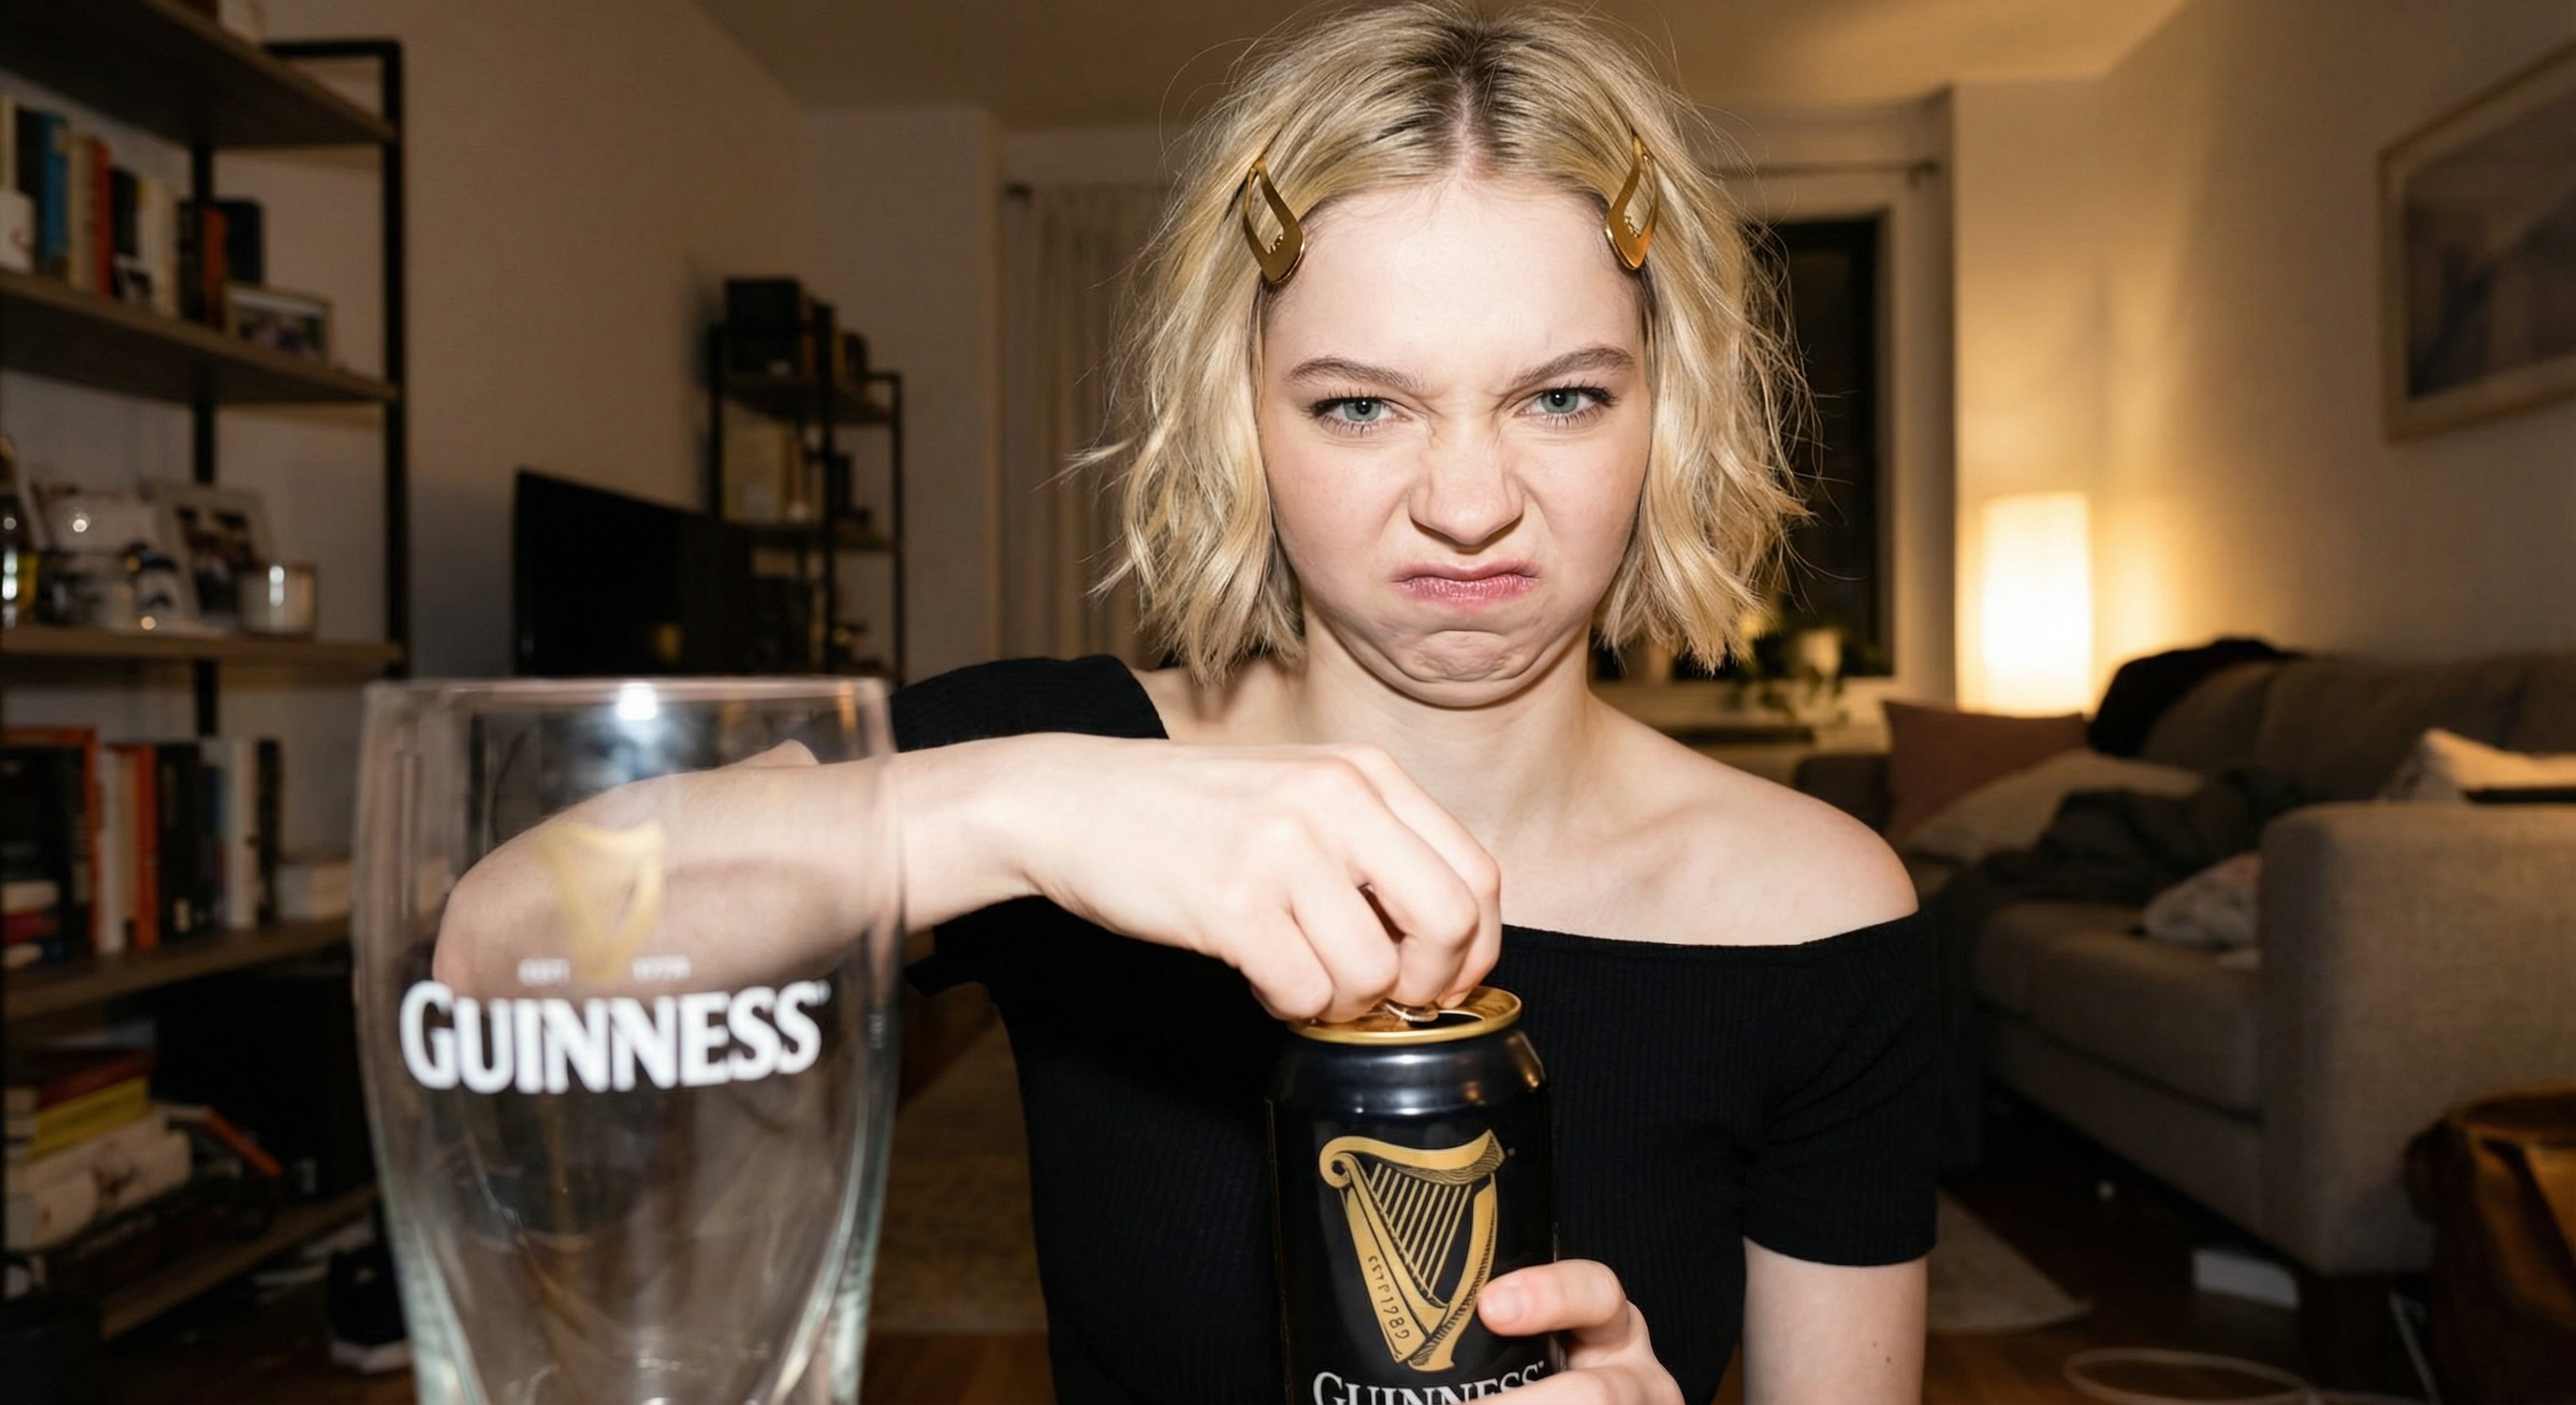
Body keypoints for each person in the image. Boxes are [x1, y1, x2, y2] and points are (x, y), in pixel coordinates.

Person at [442, 5, 1934, 1400]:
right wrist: (1020, 806)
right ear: (1243, 418)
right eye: (1362, 405)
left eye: (1562, 397)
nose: (1470, 501)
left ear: (1669, 408)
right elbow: (501, 949)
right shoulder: (1071, 776)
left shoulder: (1819, 912)